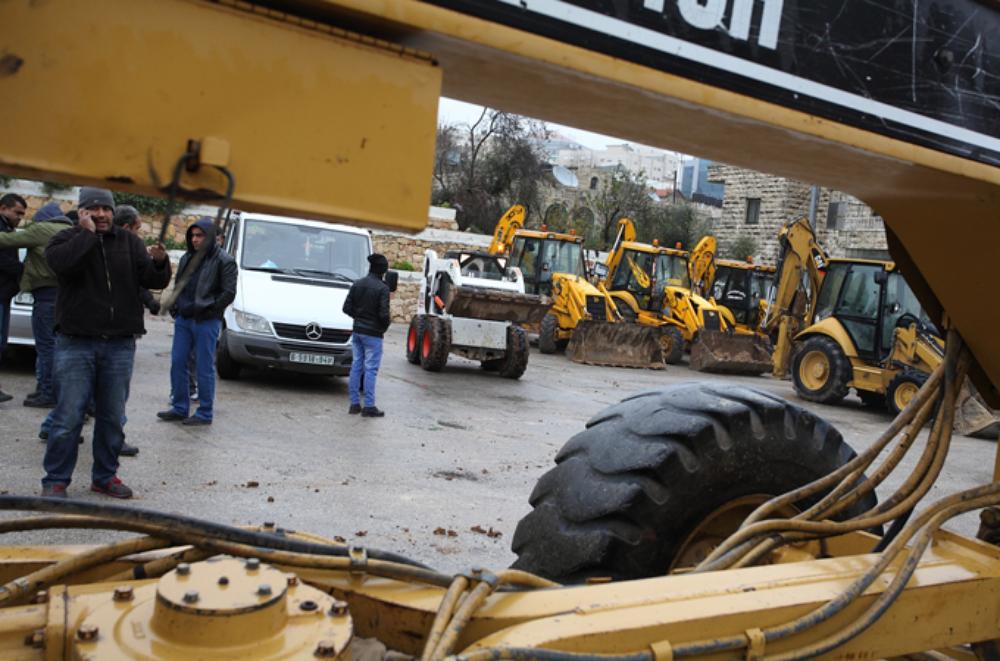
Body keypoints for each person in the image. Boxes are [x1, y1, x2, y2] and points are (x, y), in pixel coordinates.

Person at [40, 188, 170, 499]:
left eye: (105, 209)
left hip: (119, 345)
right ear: (81, 211)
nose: (100, 214)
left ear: (113, 212)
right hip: (76, 342)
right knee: (68, 417)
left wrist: (161, 262)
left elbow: (152, 281)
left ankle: (105, 476)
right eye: (93, 209)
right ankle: (55, 480)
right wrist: (86, 236)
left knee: (112, 417)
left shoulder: (129, 242)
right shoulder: (64, 239)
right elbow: (63, 266)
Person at [156, 218, 237, 426]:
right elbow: (179, 285)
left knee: (204, 367)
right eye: (192, 235)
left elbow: (228, 293)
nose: (195, 240)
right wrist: (176, 307)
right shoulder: (186, 258)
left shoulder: (224, 261)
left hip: (206, 321)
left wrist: (209, 309)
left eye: (200, 235)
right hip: (184, 318)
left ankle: (204, 412)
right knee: (178, 362)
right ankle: (180, 407)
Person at [0, 202, 72, 408]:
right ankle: (47, 391)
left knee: (46, 347)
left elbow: (7, 240)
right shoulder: (72, 231)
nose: (21, 219)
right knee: (59, 346)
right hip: (66, 297)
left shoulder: (42, 229)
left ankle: (47, 392)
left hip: (46, 296)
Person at [342, 253, 391, 417]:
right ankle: (369, 406)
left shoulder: (358, 283)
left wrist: (359, 317)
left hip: (357, 331)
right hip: (373, 334)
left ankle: (354, 404)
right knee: (371, 369)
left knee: (356, 366)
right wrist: (383, 327)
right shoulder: (383, 288)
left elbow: (346, 308)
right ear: (383, 270)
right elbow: (384, 315)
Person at [0, 193, 27, 403]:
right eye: (17, 212)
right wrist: (24, 270)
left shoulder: (8, 229)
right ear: (3, 208)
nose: (20, 217)